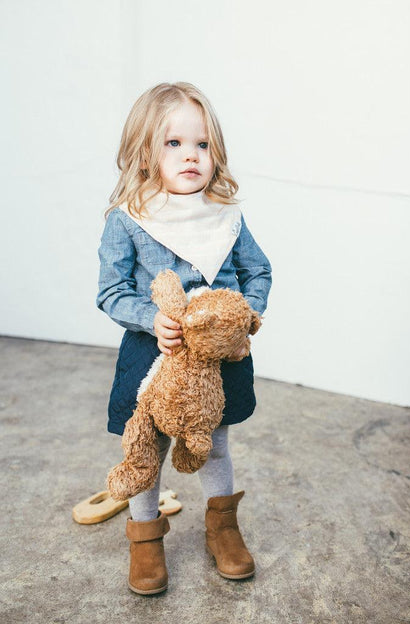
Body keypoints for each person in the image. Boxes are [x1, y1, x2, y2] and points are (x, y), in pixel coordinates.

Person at [96, 82, 272, 595]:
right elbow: (111, 291)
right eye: (173, 143)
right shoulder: (129, 219)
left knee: (214, 441)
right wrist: (151, 318)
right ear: (145, 154)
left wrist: (246, 319)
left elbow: (257, 273)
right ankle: (145, 537)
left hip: (222, 357)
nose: (190, 155)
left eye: (202, 144)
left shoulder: (228, 218)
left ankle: (223, 526)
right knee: (146, 440)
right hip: (155, 352)